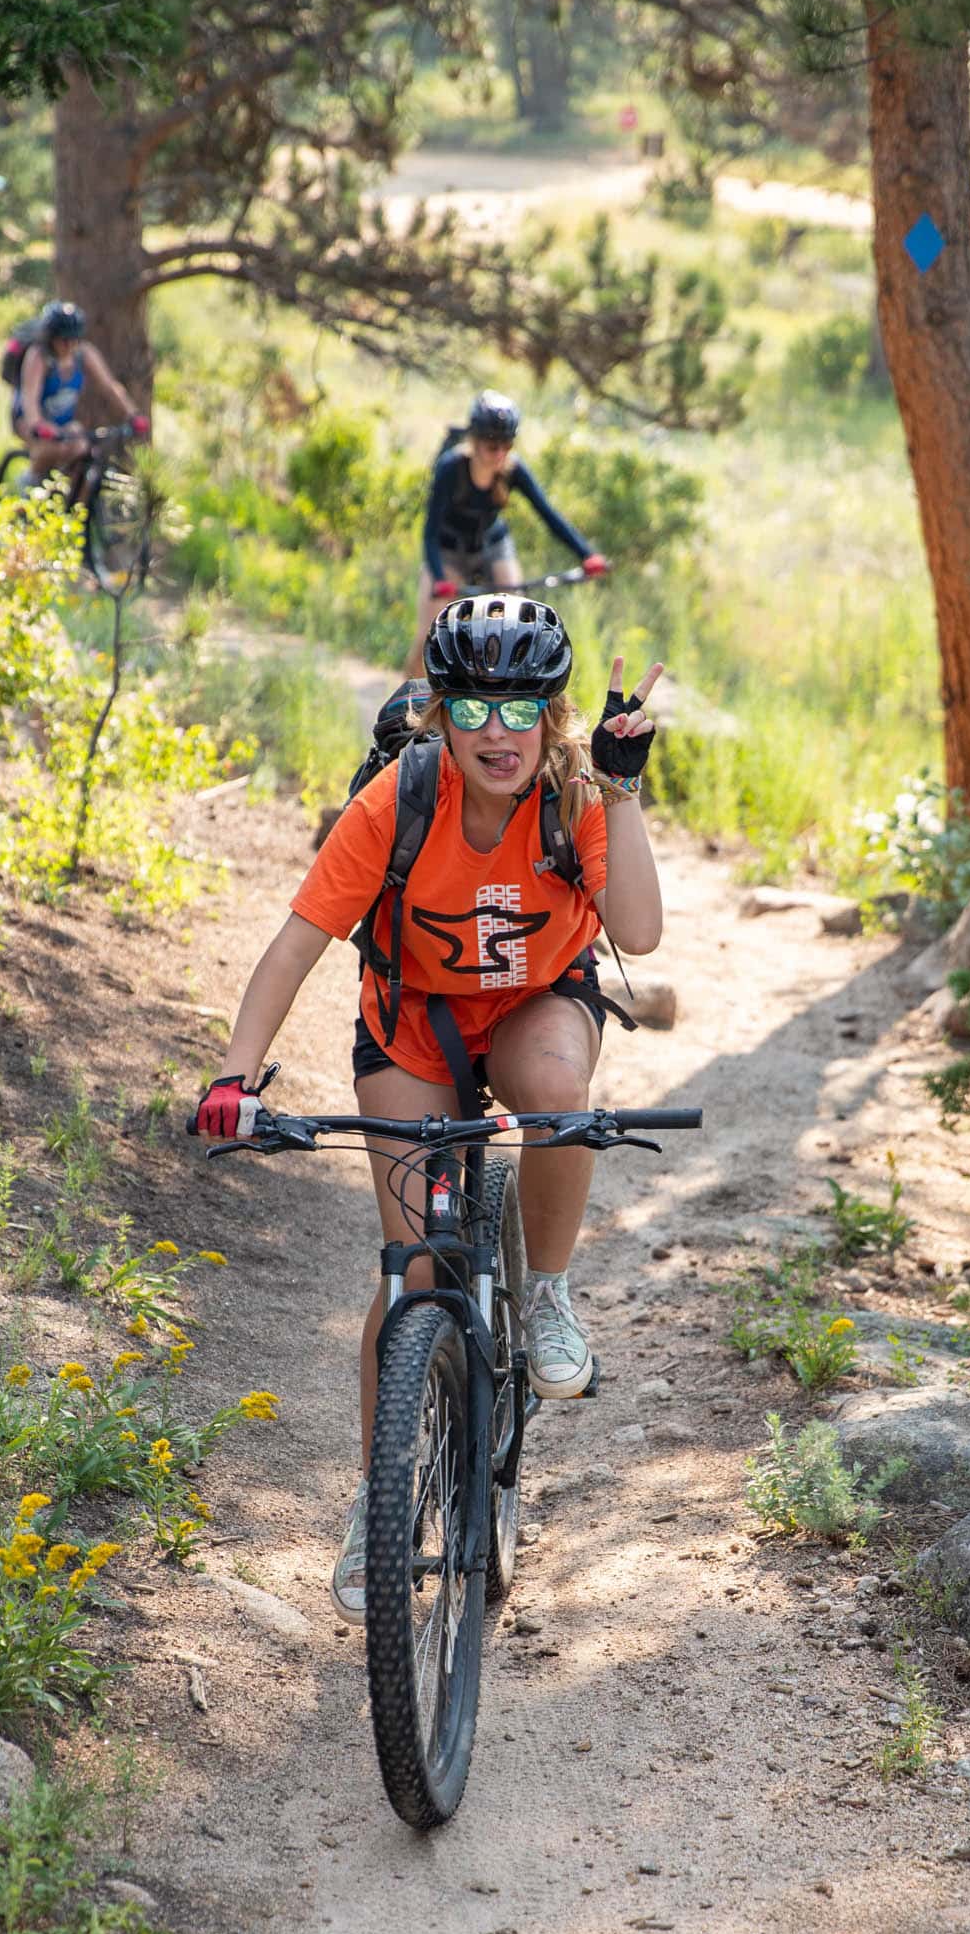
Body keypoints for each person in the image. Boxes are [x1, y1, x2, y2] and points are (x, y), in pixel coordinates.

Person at [194, 595, 662, 1621]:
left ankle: (546, 1294)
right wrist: (235, 1076)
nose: (499, 731)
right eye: (475, 708)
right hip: (413, 1023)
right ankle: (380, 1504)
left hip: (536, 1004)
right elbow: (295, 944)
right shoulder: (397, 801)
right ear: (440, 714)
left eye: (522, 708)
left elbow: (637, 931)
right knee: (413, 1269)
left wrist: (623, 793)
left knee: (557, 1096)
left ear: (552, 715)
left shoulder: (575, 796)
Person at [411, 392, 610, 672]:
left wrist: (587, 555)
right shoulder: (450, 468)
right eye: (492, 446)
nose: (500, 454)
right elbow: (430, 533)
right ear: (474, 441)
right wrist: (439, 578)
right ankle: (410, 695)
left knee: (515, 623)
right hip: (448, 551)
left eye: (507, 445)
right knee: (429, 637)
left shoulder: (513, 469)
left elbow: (548, 514)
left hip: (492, 546)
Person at [12, 302, 146, 491]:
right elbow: (29, 397)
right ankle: (28, 484)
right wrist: (38, 425)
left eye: (74, 339)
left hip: (63, 422)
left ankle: (75, 503)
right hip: (30, 420)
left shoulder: (84, 354)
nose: (69, 345)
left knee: (81, 448)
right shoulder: (38, 356)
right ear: (52, 338)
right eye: (63, 340)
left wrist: (132, 415)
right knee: (50, 449)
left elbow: (110, 387)